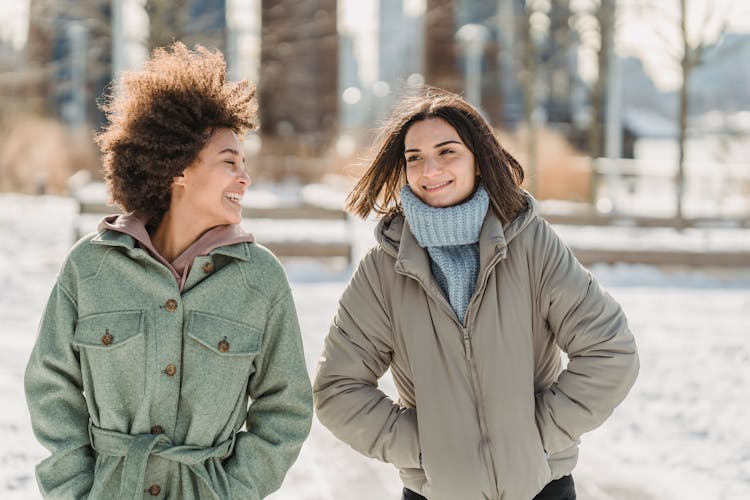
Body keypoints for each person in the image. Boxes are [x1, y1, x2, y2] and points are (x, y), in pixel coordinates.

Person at [313, 87, 639, 500]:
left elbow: (610, 350)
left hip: (542, 489)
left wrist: (538, 435)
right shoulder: (383, 270)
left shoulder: (530, 243)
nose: (429, 169)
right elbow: (337, 388)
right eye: (415, 158)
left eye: (447, 152)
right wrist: (424, 449)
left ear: (479, 161)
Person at [24, 42, 312, 499]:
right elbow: (50, 385)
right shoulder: (92, 266)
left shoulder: (259, 279)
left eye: (244, 165)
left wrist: (234, 490)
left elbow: (287, 407)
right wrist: (73, 490)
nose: (245, 177)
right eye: (229, 162)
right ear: (177, 169)